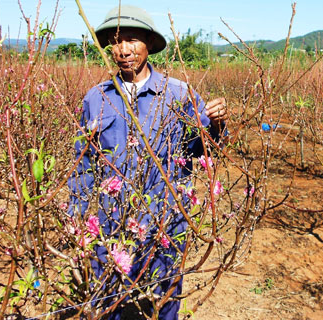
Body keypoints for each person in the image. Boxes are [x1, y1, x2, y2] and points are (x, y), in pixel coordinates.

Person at [68, 4, 228, 320]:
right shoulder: (95, 98)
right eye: (116, 41)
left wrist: (216, 124)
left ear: (150, 45)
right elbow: (84, 163)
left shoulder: (179, 94)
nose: (124, 49)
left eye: (132, 40)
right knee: (108, 298)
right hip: (113, 222)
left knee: (166, 298)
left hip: (165, 219)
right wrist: (79, 218)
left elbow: (200, 151)